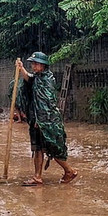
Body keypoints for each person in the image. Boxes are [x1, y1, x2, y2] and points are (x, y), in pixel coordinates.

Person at [15, 52, 78, 186]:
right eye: (32, 63)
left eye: (36, 63)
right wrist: (21, 68)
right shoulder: (38, 77)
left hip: (46, 121)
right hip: (37, 120)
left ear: (43, 65)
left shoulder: (47, 80)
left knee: (52, 148)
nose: (33, 66)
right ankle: (37, 177)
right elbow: (29, 79)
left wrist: (41, 121)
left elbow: (47, 102)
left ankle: (69, 171)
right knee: (37, 148)